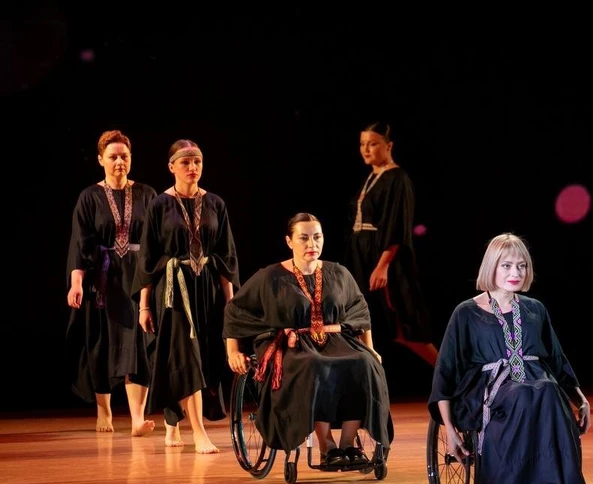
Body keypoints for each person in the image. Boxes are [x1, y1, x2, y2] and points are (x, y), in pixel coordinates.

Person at [428, 233, 590, 484]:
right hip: (489, 390)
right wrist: (450, 429)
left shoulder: (535, 309)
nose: (515, 273)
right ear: (491, 266)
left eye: (521, 266)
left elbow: (557, 359)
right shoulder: (466, 313)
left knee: (546, 391)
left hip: (537, 383)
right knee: (526, 395)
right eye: (506, 265)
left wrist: (580, 399)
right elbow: (446, 372)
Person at [223, 213, 394, 464]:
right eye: (303, 238)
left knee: (364, 363)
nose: (312, 244)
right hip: (292, 346)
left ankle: (348, 444)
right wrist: (232, 351)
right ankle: (327, 446)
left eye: (317, 237)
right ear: (289, 241)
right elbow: (235, 310)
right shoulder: (270, 277)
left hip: (335, 340)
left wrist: (370, 348)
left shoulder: (338, 272)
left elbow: (360, 311)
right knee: (314, 365)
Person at [133, 139, 240, 453]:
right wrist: (144, 306)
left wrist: (231, 303)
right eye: (185, 162)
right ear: (172, 167)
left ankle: (171, 423)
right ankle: (199, 432)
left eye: (197, 162)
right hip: (173, 291)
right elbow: (148, 258)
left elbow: (227, 256)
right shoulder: (159, 205)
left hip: (206, 289)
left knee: (201, 356)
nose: (192, 168)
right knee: (184, 355)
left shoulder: (216, 203)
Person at [66, 130, 157, 436]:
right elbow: (79, 244)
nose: (119, 161)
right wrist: (76, 282)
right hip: (103, 280)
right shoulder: (89, 197)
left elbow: (157, 240)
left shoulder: (147, 193)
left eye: (124, 156)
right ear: (100, 159)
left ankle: (136, 419)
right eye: (113, 156)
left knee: (138, 346)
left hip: (138, 280)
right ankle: (103, 411)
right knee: (101, 344)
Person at [344, 121, 438, 369]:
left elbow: (397, 226)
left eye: (373, 144)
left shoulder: (397, 178)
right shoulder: (372, 177)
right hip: (363, 256)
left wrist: (383, 265)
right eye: (363, 144)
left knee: (403, 324)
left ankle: (450, 375)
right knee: (369, 324)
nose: (366, 149)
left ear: (389, 146)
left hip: (384, 258)